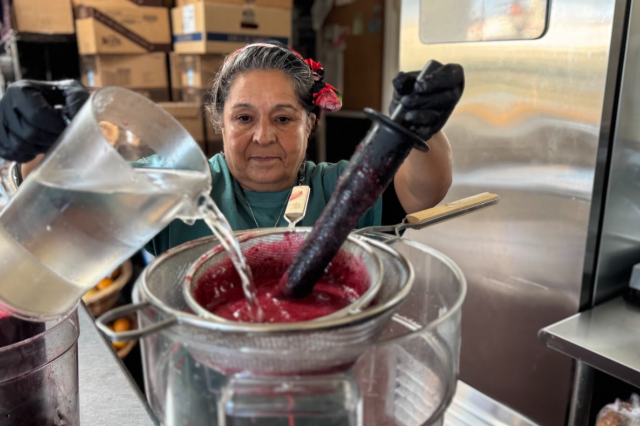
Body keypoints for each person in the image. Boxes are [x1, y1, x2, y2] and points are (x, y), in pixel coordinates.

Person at [0, 42, 464, 256]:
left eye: (283, 118)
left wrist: (420, 124)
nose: (263, 136)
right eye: (244, 118)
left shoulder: (340, 187)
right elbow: (60, 215)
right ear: (218, 123)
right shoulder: (177, 185)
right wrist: (40, 143)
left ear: (311, 123)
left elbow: (425, 190)